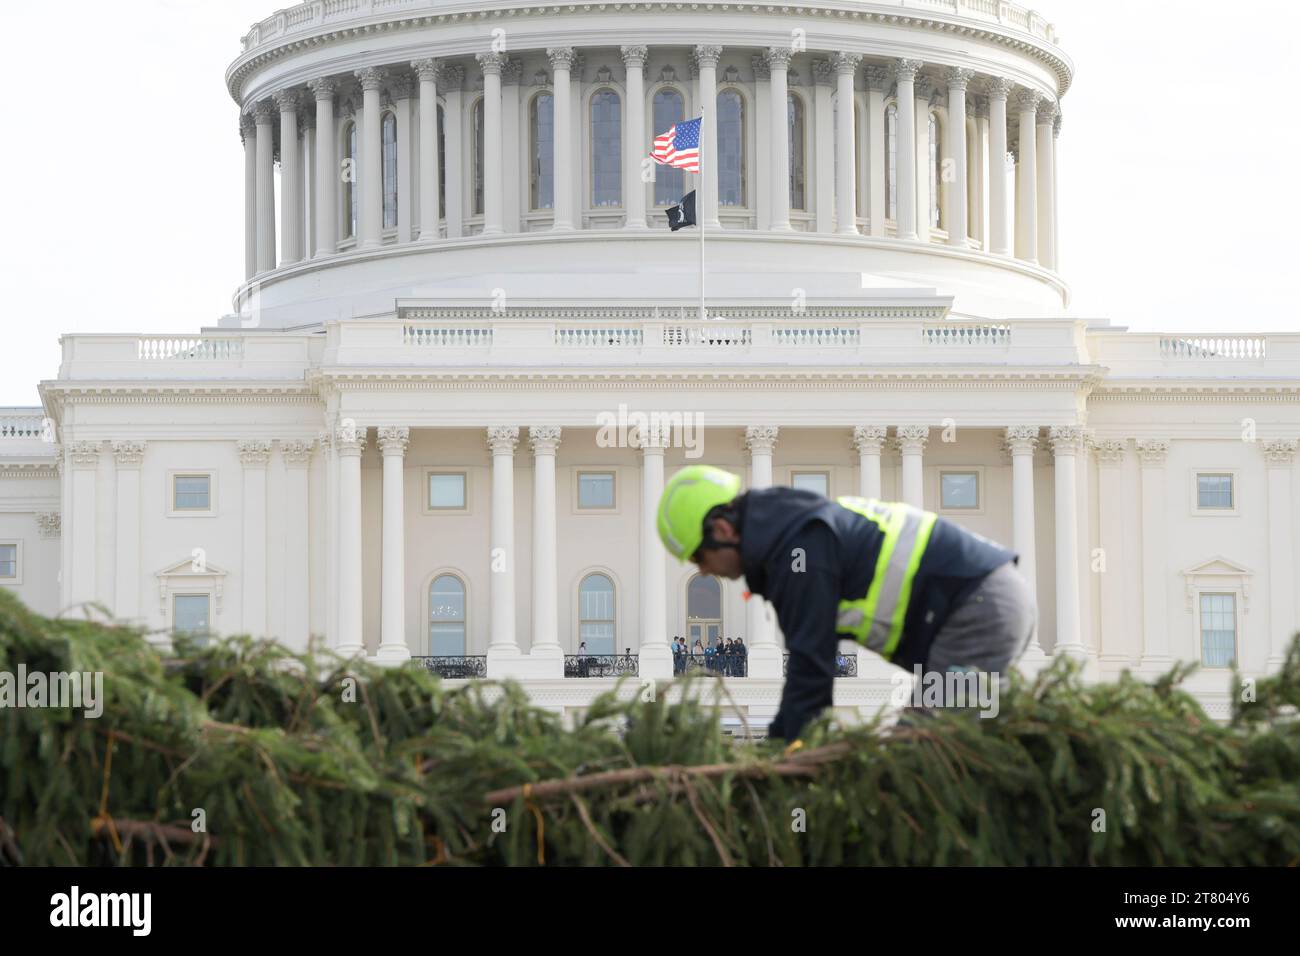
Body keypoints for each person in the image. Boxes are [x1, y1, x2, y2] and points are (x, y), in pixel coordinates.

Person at [656, 465, 1036, 743]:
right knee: (932, 752)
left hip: (977, 612)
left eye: (698, 557)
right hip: (988, 602)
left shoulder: (797, 550)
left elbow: (811, 670)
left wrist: (783, 753)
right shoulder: (792, 533)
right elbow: (809, 670)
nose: (703, 572)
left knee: (919, 759)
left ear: (722, 531)